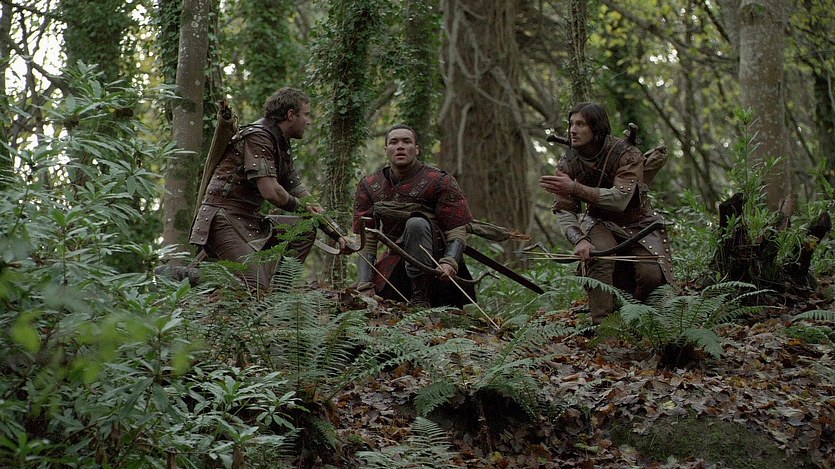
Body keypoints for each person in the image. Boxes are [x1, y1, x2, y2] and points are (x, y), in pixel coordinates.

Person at [189, 87, 349, 291]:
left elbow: (300, 192)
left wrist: (337, 233)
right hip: (223, 219)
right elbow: (272, 192)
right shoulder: (259, 137)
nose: (308, 121)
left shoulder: (280, 143)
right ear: (291, 115)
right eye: (306, 115)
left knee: (305, 230)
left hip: (248, 219)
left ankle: (279, 296)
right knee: (255, 287)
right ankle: (185, 275)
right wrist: (303, 209)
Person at [539, 102, 674, 324]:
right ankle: (603, 326)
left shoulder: (626, 154)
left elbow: (620, 199)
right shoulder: (568, 162)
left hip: (639, 222)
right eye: (571, 124)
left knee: (650, 276)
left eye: (581, 124)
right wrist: (579, 239)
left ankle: (642, 321)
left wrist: (574, 188)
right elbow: (564, 208)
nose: (573, 130)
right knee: (598, 258)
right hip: (600, 222)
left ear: (597, 128)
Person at [352, 124, 476, 308]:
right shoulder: (369, 185)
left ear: (416, 149)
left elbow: (456, 228)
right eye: (394, 142)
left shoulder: (440, 180)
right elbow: (367, 236)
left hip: (436, 266)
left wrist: (450, 262)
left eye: (406, 141)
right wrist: (365, 284)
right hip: (395, 264)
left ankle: (421, 296)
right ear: (386, 150)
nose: (400, 146)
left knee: (416, 223)